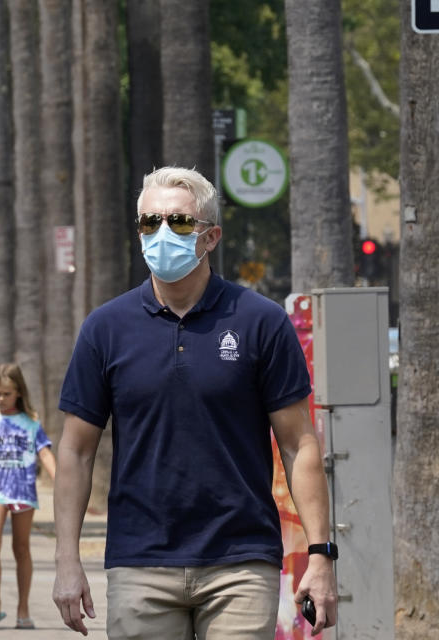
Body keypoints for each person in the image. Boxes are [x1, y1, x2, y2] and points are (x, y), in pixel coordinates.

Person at [53, 166, 338, 639]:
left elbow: (298, 444)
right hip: (139, 562)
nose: (163, 233)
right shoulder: (105, 328)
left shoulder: (260, 322)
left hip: (241, 562)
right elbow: (76, 450)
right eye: (150, 222)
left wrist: (320, 555)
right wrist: (67, 560)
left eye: (180, 223)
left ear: (211, 237)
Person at [0, 363, 56, 630]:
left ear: (18, 392)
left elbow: (45, 454)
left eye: (6, 393)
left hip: (23, 489)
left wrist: (61, 482)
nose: (1, 399)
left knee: (21, 547)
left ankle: (23, 609)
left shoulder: (31, 423)